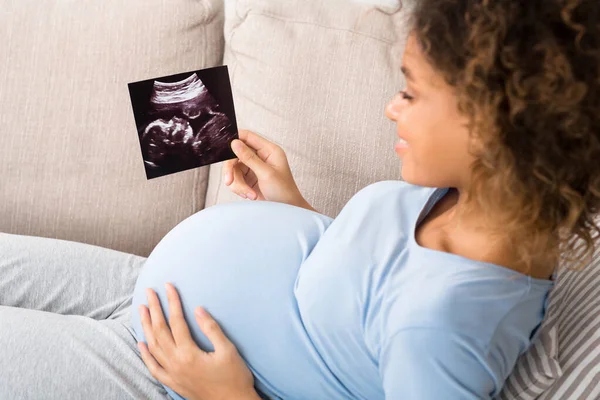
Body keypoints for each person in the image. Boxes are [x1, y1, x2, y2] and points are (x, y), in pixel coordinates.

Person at [1, 0, 599, 399]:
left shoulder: (443, 327)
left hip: (159, 371)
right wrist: (289, 206)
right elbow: (356, 300)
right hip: (147, 290)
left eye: (410, 93)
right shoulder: (464, 202)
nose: (392, 107)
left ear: (491, 127)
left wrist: (232, 397)